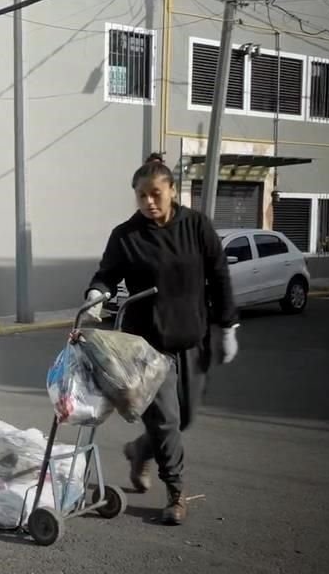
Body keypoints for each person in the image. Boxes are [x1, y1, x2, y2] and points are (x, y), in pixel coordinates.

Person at [84, 158, 239, 525]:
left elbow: (219, 276)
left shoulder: (197, 226)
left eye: (156, 194)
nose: (149, 202)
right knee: (167, 421)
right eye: (142, 196)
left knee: (184, 418)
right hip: (147, 348)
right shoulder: (127, 235)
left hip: (193, 339)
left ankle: (140, 449)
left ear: (172, 190)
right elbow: (107, 275)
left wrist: (228, 326)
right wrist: (96, 293)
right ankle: (176, 492)